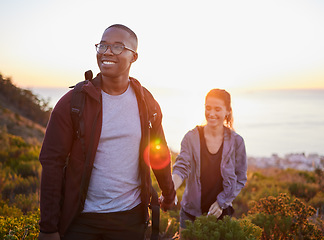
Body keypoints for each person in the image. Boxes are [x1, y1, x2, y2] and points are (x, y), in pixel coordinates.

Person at [38, 24, 176, 240]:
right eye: (103, 45)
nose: (107, 52)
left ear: (134, 57)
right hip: (80, 220)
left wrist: (168, 194)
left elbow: (158, 152)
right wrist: (48, 228)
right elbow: (51, 163)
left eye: (118, 47)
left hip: (129, 220)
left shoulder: (147, 104)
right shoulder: (73, 103)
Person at [172, 89, 247, 232]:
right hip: (190, 212)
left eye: (217, 109)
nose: (211, 113)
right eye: (208, 108)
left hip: (221, 213)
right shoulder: (191, 137)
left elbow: (240, 178)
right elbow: (181, 168)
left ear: (227, 111)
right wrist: (170, 188)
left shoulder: (237, 142)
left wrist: (222, 202)